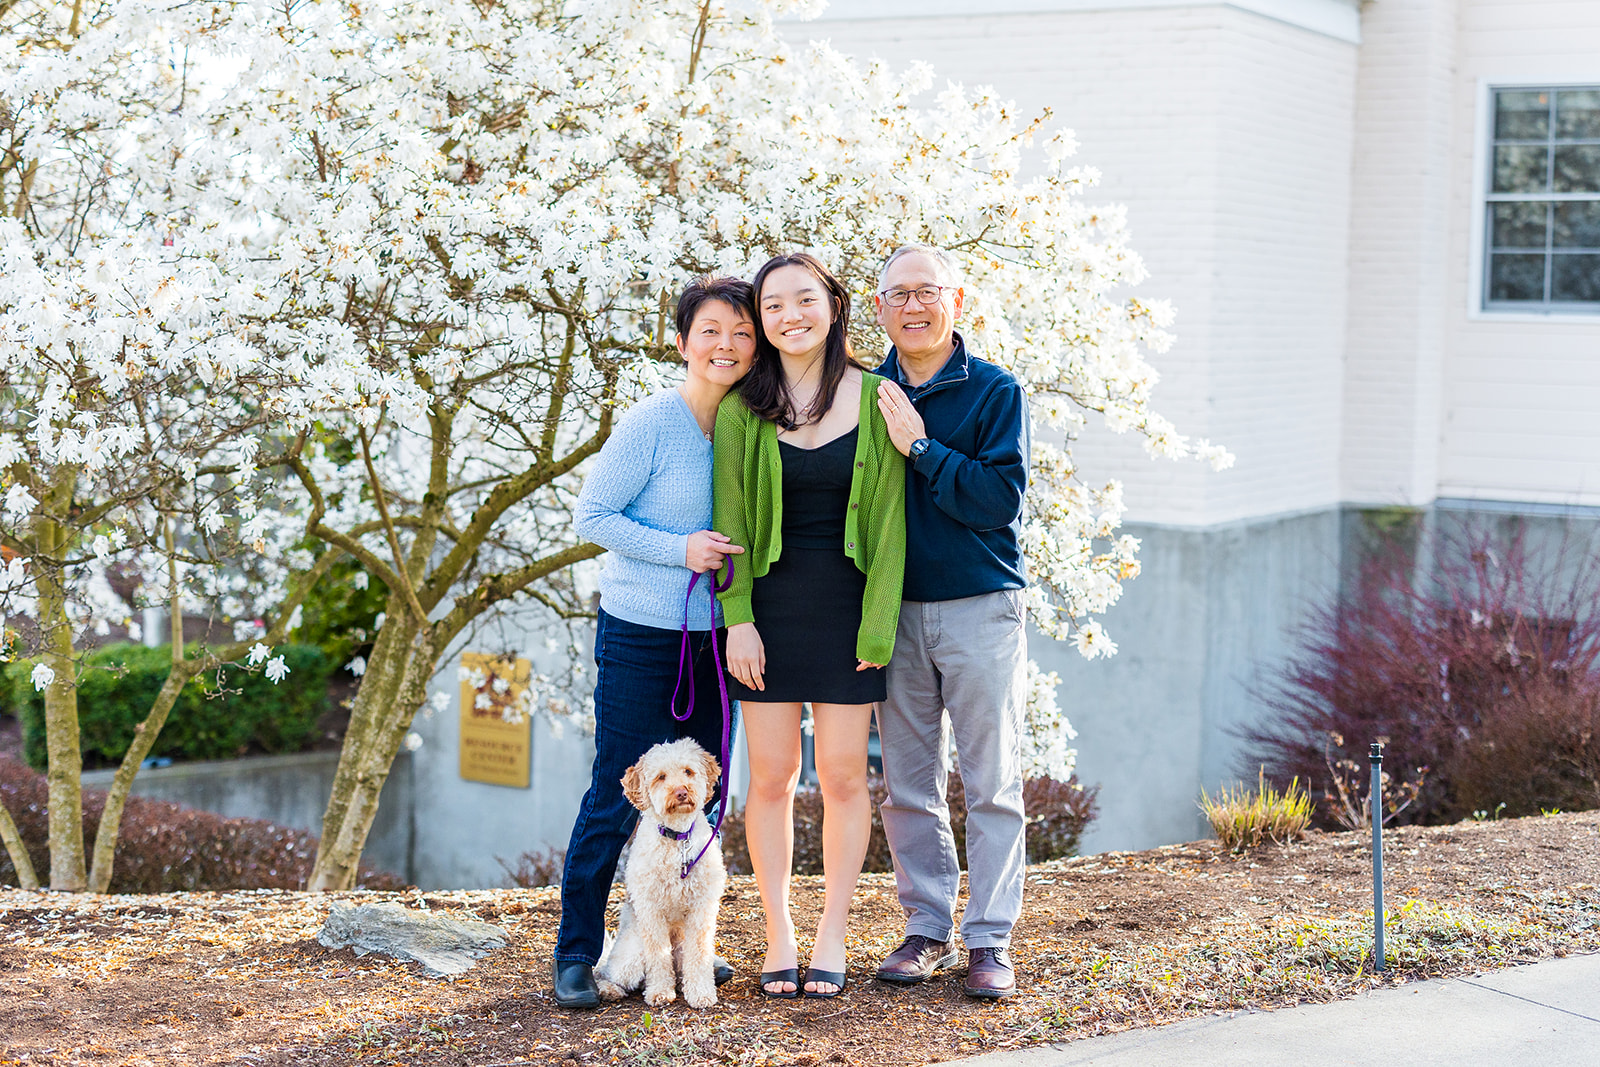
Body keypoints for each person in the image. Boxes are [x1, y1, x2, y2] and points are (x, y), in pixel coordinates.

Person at [551, 276, 757, 1010]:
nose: (726, 345)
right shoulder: (650, 424)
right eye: (711, 330)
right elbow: (594, 514)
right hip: (641, 635)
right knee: (621, 790)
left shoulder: (746, 429)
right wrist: (682, 548)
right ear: (683, 341)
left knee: (704, 792)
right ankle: (578, 950)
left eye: (740, 332)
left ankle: (686, 948)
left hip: (715, 640)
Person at [713, 252, 906, 999]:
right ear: (763, 322)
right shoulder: (741, 411)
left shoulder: (878, 397)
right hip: (768, 618)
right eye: (774, 307)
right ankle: (779, 933)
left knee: (847, 778)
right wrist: (739, 621)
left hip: (849, 617)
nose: (790, 316)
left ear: (834, 305)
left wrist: (877, 631)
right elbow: (728, 527)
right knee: (769, 778)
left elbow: (890, 530)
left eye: (805, 300)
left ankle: (832, 932)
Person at [869, 244, 1031, 1000]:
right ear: (879, 309)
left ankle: (990, 940)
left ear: (954, 300)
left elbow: (997, 502)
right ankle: (926, 927)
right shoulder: (864, 394)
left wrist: (923, 450)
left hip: (979, 607)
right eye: (898, 294)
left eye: (926, 292)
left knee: (991, 781)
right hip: (892, 612)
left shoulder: (995, 391)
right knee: (907, 782)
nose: (913, 306)